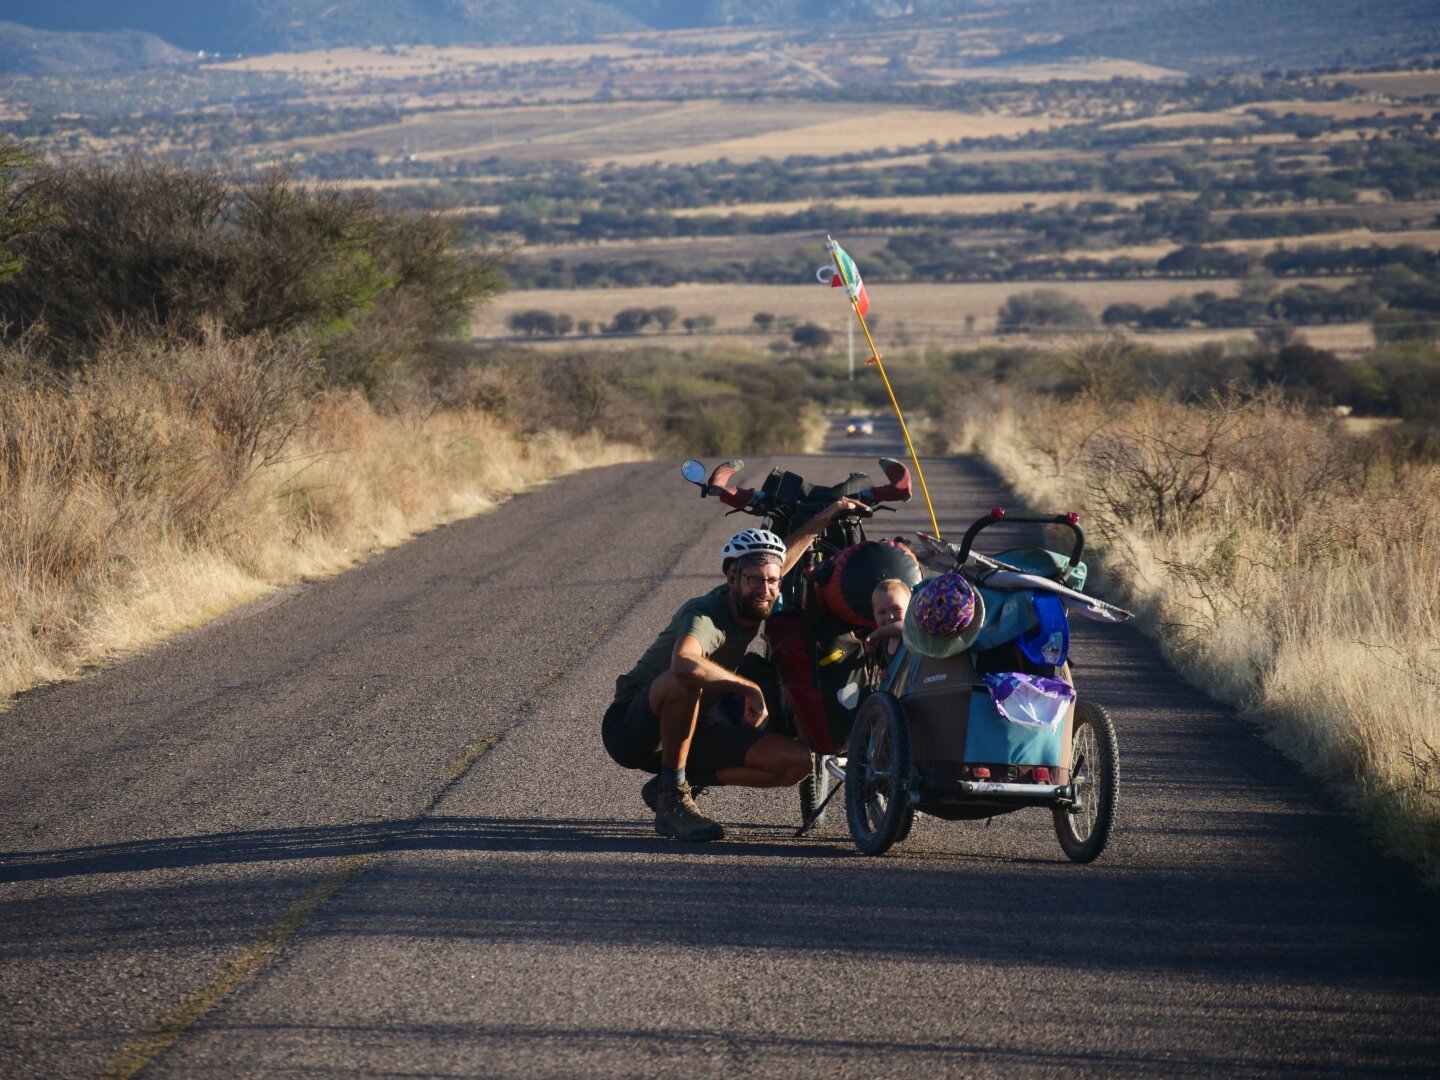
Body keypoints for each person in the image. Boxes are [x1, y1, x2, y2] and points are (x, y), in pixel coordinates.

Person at [602, 498, 866, 842]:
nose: (766, 590)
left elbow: (778, 561)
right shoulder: (707, 613)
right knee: (686, 679)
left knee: (795, 762)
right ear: (732, 578)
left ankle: (676, 783)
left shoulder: (759, 594)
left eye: (773, 582)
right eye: (755, 580)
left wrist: (825, 518)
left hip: (692, 731)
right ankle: (673, 797)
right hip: (634, 730)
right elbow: (683, 663)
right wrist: (748, 688)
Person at [864, 577, 912, 662]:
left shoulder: (912, 633)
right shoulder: (883, 642)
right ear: (874, 616)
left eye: (897, 609)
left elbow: (905, 626)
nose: (890, 616)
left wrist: (879, 633)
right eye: (882, 612)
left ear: (910, 609)